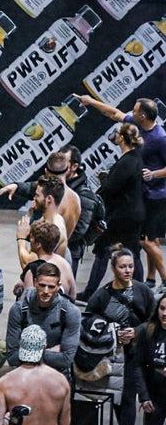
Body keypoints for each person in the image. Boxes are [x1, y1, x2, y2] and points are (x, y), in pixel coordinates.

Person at [76, 94, 166, 286]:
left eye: (134, 110)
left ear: (143, 116)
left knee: (149, 242)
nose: (130, 113)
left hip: (155, 196)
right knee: (142, 243)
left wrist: (154, 174)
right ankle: (149, 281)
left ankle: (163, 280)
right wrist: (91, 102)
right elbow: (113, 113)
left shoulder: (160, 138)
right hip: (139, 193)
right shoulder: (136, 123)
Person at [84, 246, 155, 425]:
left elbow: (155, 321)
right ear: (113, 268)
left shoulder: (143, 291)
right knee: (116, 398)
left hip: (136, 355)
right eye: (123, 266)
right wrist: (110, 331)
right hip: (113, 355)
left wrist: (137, 332)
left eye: (131, 266)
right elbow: (89, 318)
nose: (128, 271)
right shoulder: (102, 294)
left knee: (128, 397)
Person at [85, 123, 146, 297]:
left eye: (117, 133)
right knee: (133, 253)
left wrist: (103, 177)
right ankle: (141, 293)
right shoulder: (135, 158)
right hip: (132, 214)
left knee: (102, 251)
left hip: (121, 216)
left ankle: (89, 292)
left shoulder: (127, 161)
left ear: (122, 138)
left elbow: (111, 188)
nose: (115, 136)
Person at [5, 262, 81, 376]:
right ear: (35, 282)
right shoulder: (19, 309)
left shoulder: (70, 312)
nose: (46, 291)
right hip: (25, 376)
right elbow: (12, 357)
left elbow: (66, 359)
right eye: (42, 285)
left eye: (51, 287)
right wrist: (51, 352)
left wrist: (27, 351)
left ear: (58, 286)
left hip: (56, 377)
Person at [126, 292, 166, 425]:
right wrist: (144, 396)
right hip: (155, 399)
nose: (165, 314)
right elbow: (138, 366)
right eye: (162, 308)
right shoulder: (149, 332)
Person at [15, 220, 75, 300]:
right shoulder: (65, 264)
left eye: (31, 238)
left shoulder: (35, 269)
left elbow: (26, 301)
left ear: (38, 244)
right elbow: (73, 296)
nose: (30, 241)